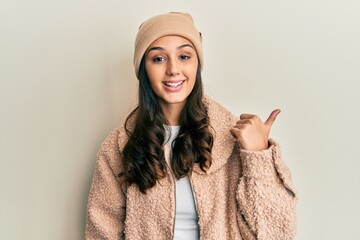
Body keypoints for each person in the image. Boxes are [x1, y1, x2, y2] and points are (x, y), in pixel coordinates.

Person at [85, 12, 297, 240]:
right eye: (158, 59)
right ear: (143, 69)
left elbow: (277, 233)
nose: (173, 69)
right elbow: (101, 233)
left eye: (184, 56)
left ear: (197, 63)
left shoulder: (235, 140)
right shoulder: (119, 147)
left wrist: (258, 157)